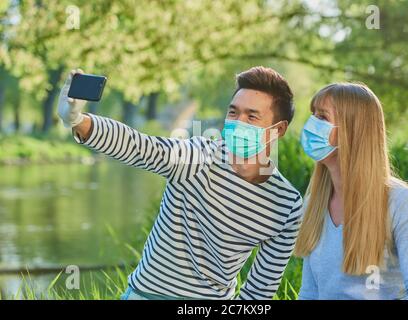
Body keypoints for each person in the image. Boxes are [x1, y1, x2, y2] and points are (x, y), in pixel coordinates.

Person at [57, 66, 302, 300]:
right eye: (233, 112)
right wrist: (78, 121)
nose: (238, 122)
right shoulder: (200, 156)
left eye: (252, 116)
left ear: (277, 130)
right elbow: (142, 147)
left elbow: (260, 290)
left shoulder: (286, 205)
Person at [294, 82, 408, 300]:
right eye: (313, 115)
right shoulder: (314, 204)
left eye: (322, 117)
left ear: (354, 130)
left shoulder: (400, 202)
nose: (311, 124)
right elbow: (309, 293)